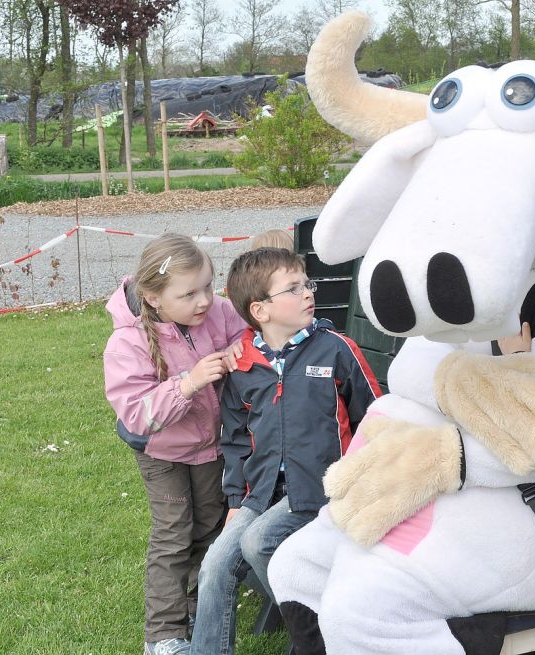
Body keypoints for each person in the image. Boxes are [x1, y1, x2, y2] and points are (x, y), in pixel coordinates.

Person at [191, 247, 382, 655]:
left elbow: (377, 419)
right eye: (293, 289)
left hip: (322, 488)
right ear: (260, 310)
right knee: (214, 567)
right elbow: (237, 440)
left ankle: (315, 636)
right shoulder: (243, 365)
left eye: (306, 284)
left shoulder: (336, 349)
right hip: (262, 494)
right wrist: (236, 501)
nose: (308, 293)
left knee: (259, 542)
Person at [104, 234, 248, 655]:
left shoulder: (217, 312)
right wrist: (188, 384)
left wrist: (239, 348)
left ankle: (197, 616)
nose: (205, 300)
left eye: (208, 285)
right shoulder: (127, 342)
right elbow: (136, 414)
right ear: (153, 298)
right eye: (189, 294)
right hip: (164, 456)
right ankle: (163, 635)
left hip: (211, 448)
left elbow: (245, 335)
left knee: (208, 530)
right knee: (173, 538)